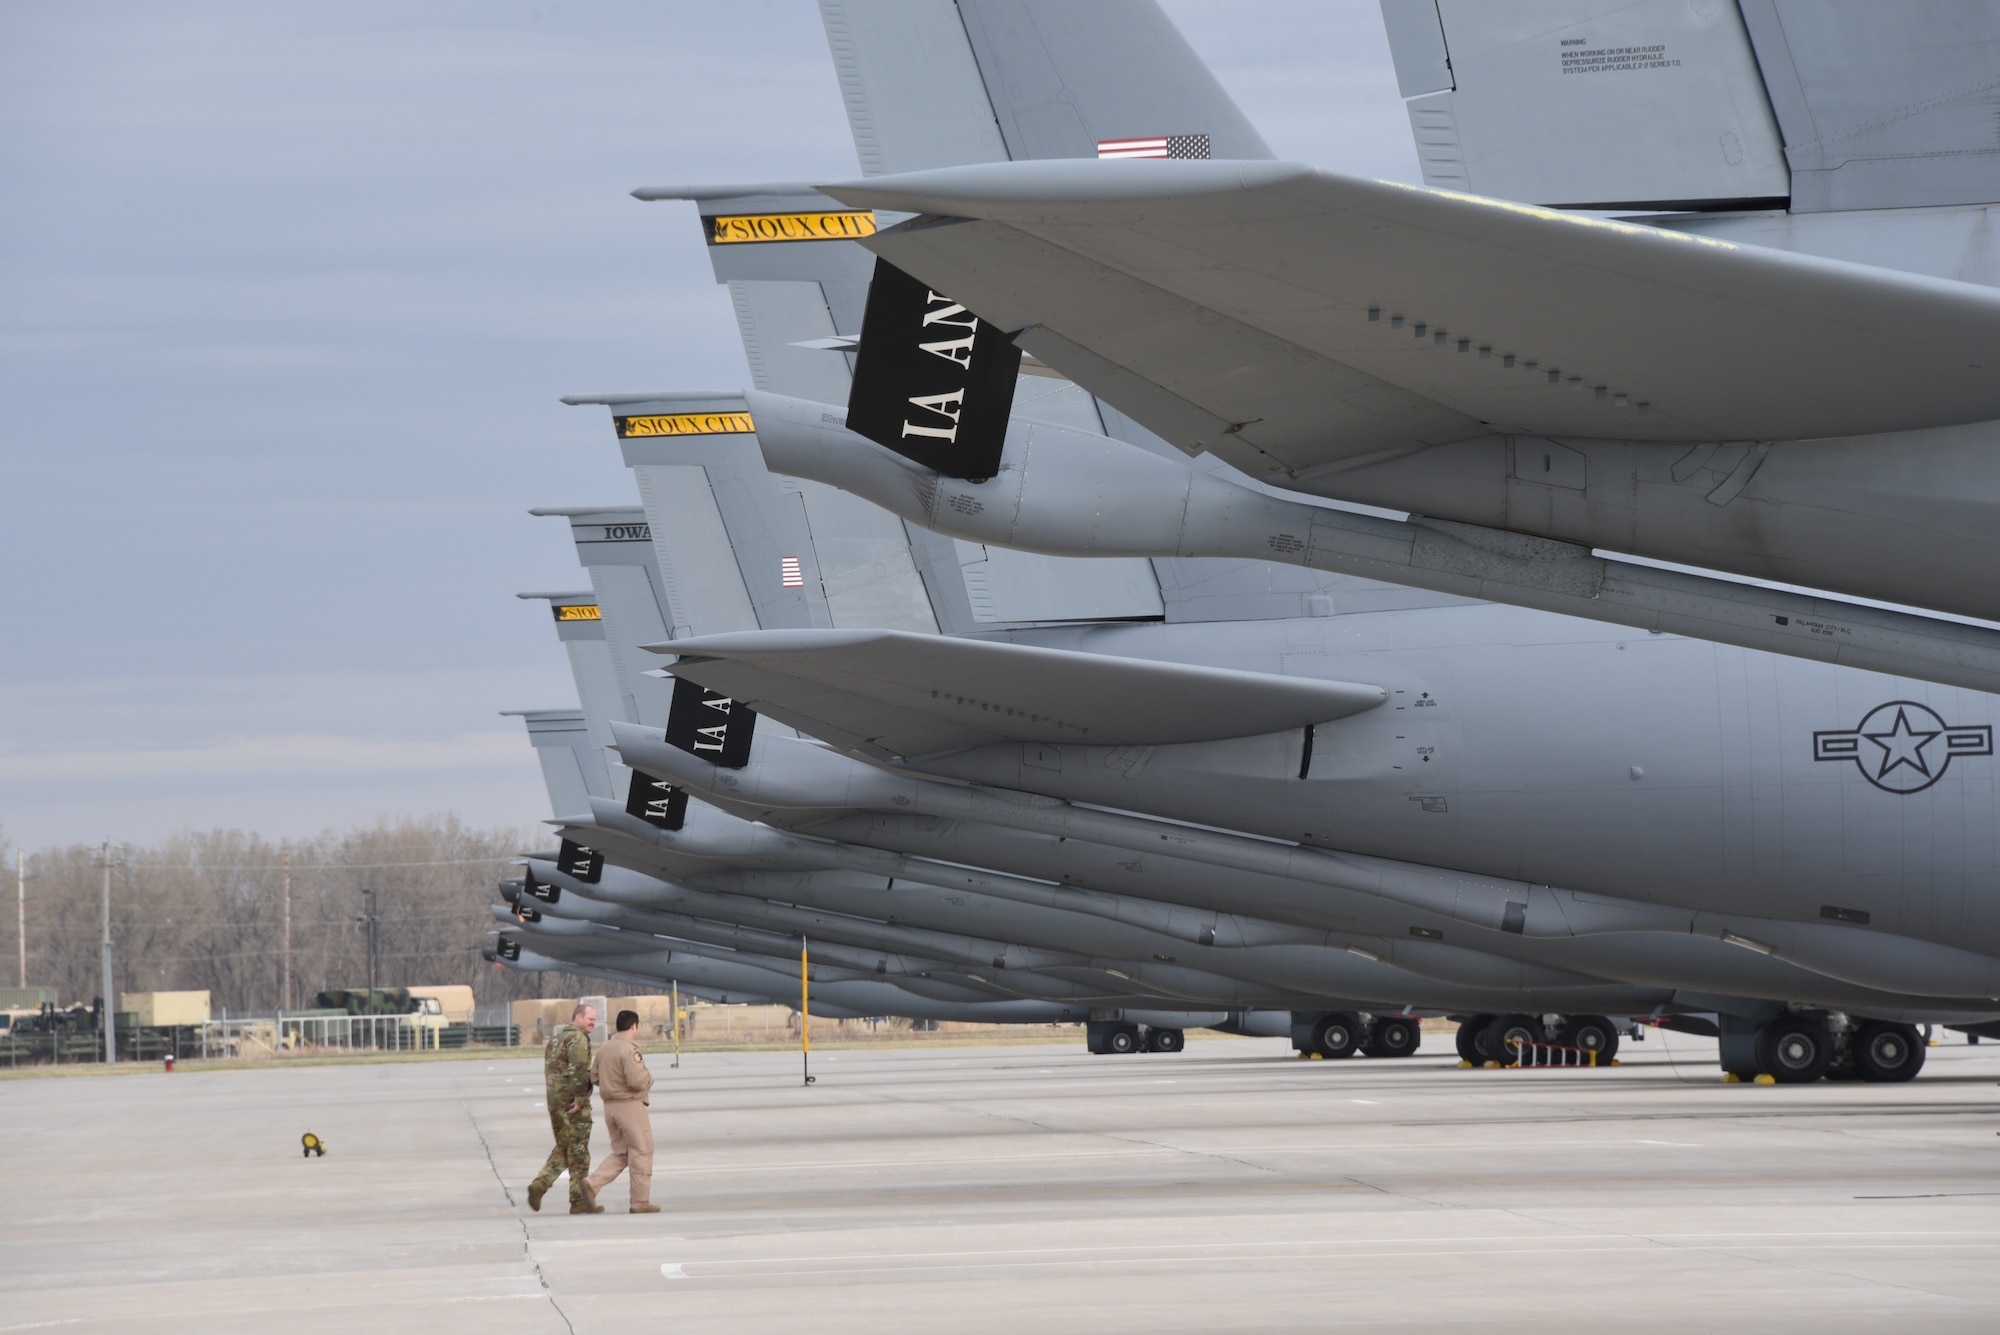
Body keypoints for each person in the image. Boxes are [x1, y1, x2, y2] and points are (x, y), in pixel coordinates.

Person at [527, 1002, 600, 1214]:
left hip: (555, 1102)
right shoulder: (577, 1039)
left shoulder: (556, 1039)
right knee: (578, 1151)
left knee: (565, 1146)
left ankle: (540, 1184)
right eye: (590, 1019)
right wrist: (580, 1099)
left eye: (595, 1020)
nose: (593, 1023)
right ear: (578, 1018)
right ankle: (578, 1201)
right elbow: (578, 1071)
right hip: (572, 1104)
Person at [585, 1009, 658, 1213]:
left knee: (622, 1153)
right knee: (641, 1151)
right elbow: (636, 1081)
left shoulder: (605, 1048)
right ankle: (640, 1202)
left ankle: (591, 1184)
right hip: (629, 1106)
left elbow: (595, 1077)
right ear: (634, 1026)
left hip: (610, 1107)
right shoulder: (629, 1050)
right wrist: (649, 1080)